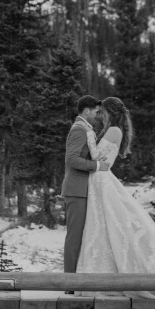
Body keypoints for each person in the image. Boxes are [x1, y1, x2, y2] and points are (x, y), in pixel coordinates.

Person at [77, 96, 155, 275]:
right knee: (102, 223)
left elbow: (96, 156)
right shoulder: (112, 130)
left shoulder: (113, 130)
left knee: (110, 222)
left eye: (103, 112)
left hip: (101, 179)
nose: (100, 115)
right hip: (98, 179)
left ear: (110, 112)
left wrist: (87, 137)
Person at [61, 95, 113, 273]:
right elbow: (71, 159)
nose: (98, 116)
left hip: (83, 190)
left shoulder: (85, 129)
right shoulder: (79, 129)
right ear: (86, 111)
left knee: (82, 237)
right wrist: (96, 165)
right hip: (76, 190)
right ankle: (69, 280)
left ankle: (78, 277)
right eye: (96, 112)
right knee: (74, 237)